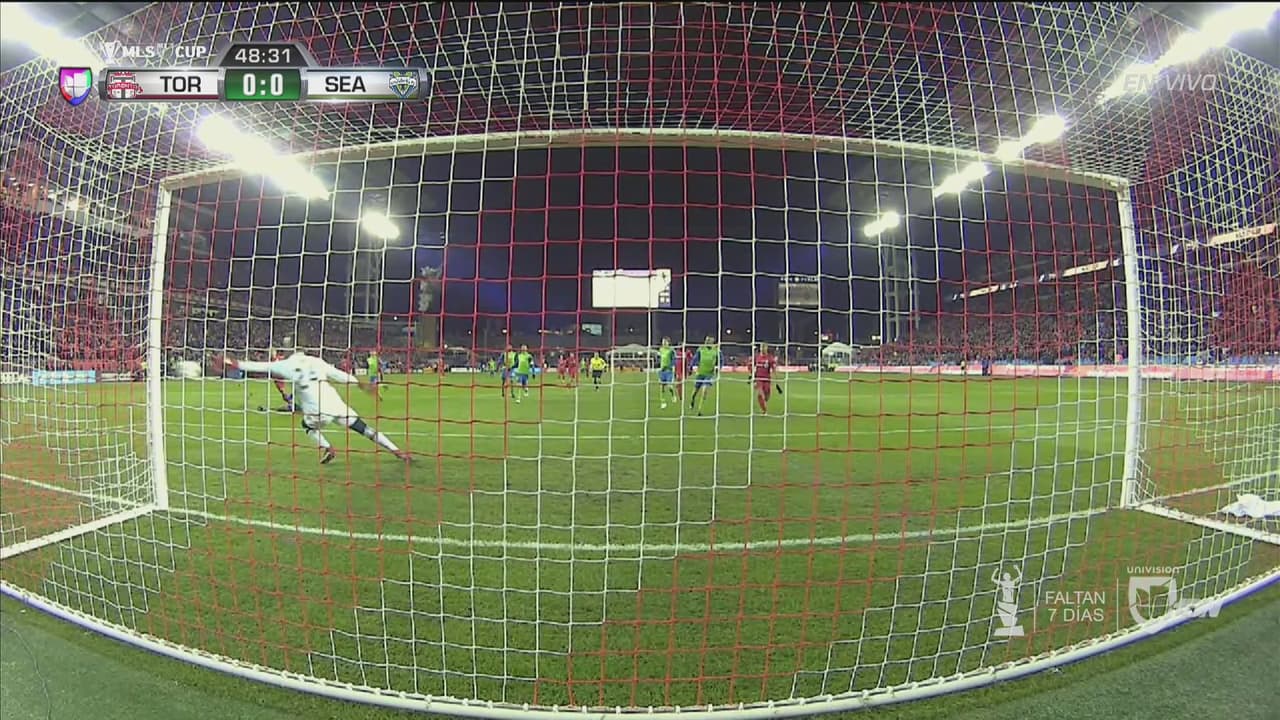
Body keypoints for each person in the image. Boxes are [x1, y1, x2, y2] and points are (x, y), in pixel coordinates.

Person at [217, 348, 410, 465]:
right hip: (336, 404)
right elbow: (340, 376)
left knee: (306, 426)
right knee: (364, 428)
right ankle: (397, 451)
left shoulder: (285, 365)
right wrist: (362, 385)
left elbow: (256, 366)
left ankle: (327, 447)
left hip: (317, 411)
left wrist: (232, 362)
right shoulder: (317, 361)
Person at [688, 336, 720, 416]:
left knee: (704, 390)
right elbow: (695, 359)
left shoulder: (716, 350)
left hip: (709, 374)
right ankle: (692, 401)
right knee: (695, 391)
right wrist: (691, 367)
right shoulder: (701, 349)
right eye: (707, 341)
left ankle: (700, 409)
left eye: (710, 341)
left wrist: (719, 367)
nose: (708, 342)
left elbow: (721, 360)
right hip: (700, 373)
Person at [752, 342, 778, 414]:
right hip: (759, 379)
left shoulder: (769, 358)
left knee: (767, 395)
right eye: (761, 347)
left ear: (766, 348)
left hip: (767, 379)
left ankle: (764, 401)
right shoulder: (757, 357)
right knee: (760, 394)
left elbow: (773, 367)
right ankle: (764, 410)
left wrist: (776, 376)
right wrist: (752, 377)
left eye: (764, 347)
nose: (762, 349)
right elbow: (752, 366)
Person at [657, 337, 678, 409]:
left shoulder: (671, 351)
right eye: (663, 342)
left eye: (665, 342)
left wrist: (673, 368)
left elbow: (674, 360)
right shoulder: (661, 350)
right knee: (662, 387)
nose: (664, 343)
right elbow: (660, 359)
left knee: (669, 386)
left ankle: (673, 395)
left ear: (668, 343)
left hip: (669, 371)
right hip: (662, 371)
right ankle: (663, 402)